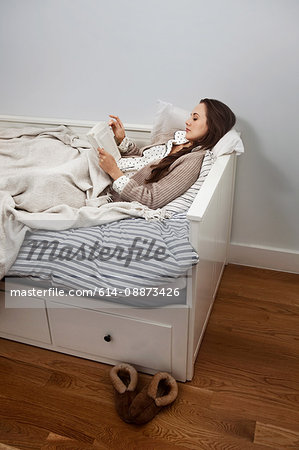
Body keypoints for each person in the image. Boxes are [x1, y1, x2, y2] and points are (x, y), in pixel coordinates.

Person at [97, 98, 236, 210]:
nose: (187, 122)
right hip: (105, 168)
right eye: (190, 117)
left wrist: (114, 171)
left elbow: (151, 199)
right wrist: (122, 140)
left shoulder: (193, 161)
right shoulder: (177, 137)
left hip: (108, 185)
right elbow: (143, 162)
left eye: (195, 118)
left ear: (213, 126)